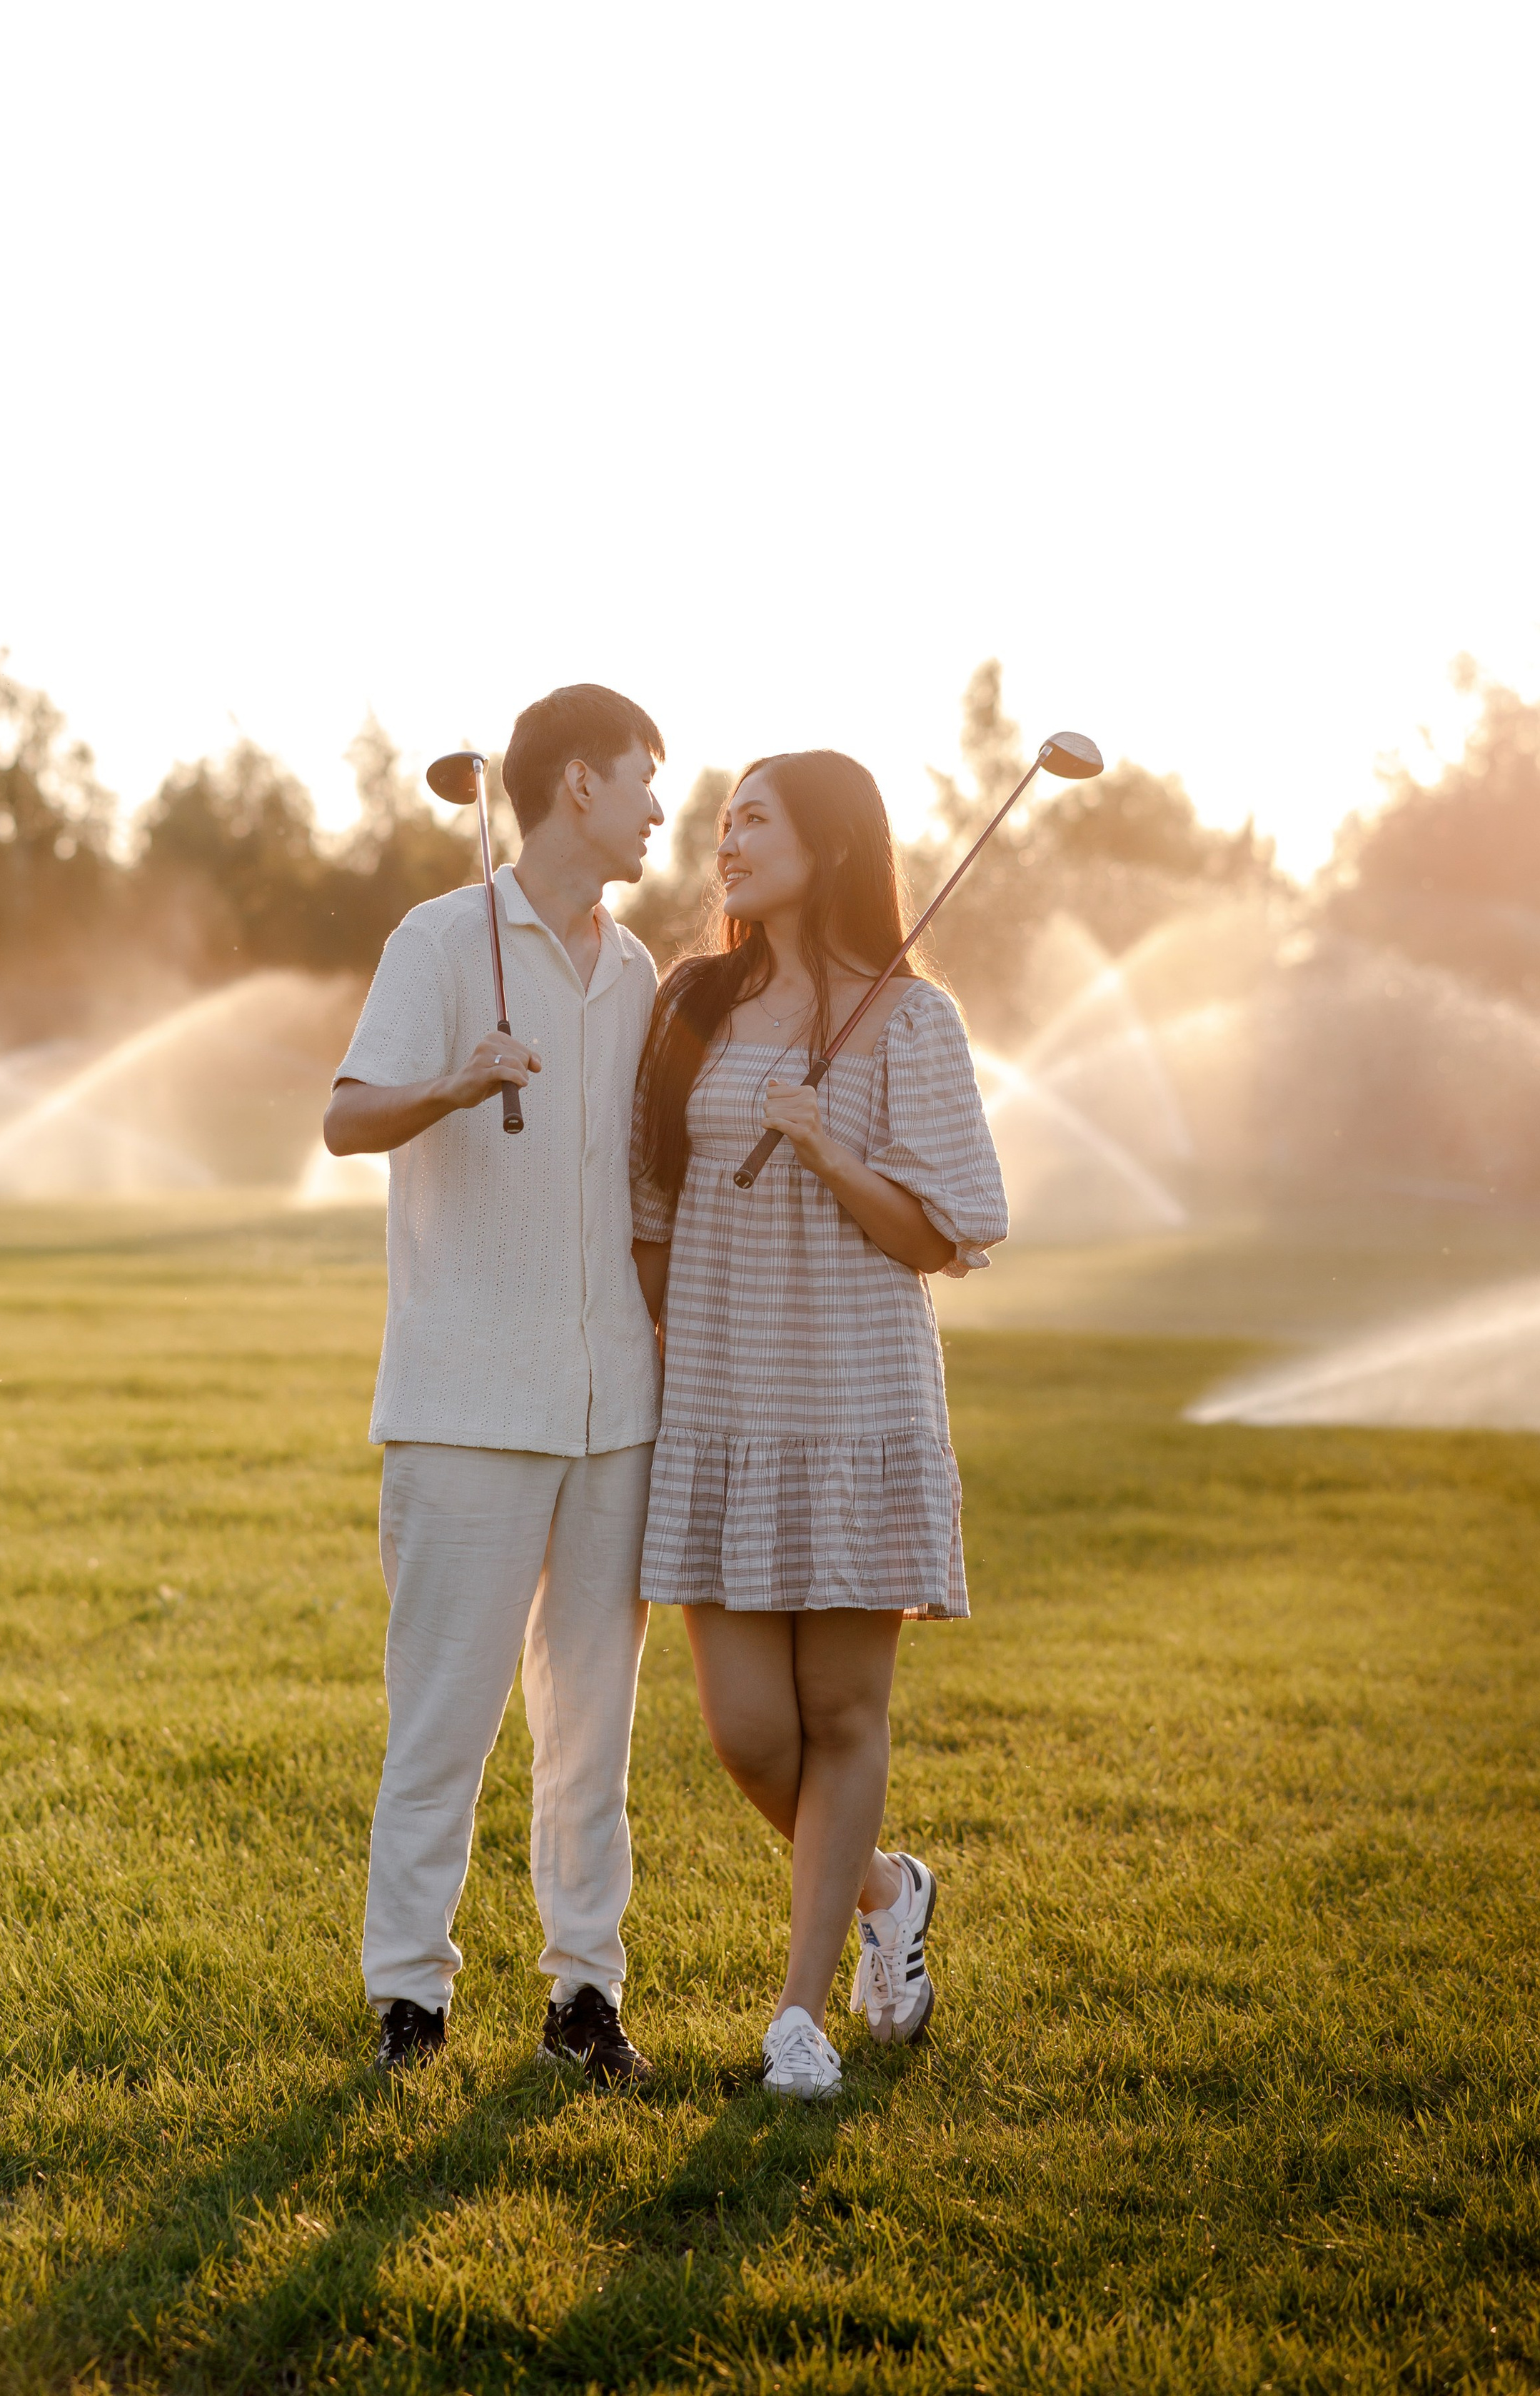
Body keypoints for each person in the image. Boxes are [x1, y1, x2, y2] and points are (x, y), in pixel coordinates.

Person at [630, 750, 1007, 2100]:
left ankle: (800, 2019)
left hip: (856, 1397)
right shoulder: (694, 1005)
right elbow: (652, 1217)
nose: (725, 842)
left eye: (754, 819)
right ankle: (888, 1886)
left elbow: (945, 1235)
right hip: (724, 1401)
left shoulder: (913, 1023)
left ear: (832, 844)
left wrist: (834, 1149)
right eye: (722, 822)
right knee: (748, 1731)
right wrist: (674, 1351)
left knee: (842, 1713)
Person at [323, 683, 666, 2082]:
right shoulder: (437, 939)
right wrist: (458, 1085)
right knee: (445, 1721)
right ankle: (409, 1998)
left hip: (613, 1412)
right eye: (646, 777)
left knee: (592, 1735)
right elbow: (347, 1119)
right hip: (464, 1404)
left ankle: (585, 1997)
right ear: (576, 783)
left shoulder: (638, 971)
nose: (660, 805)